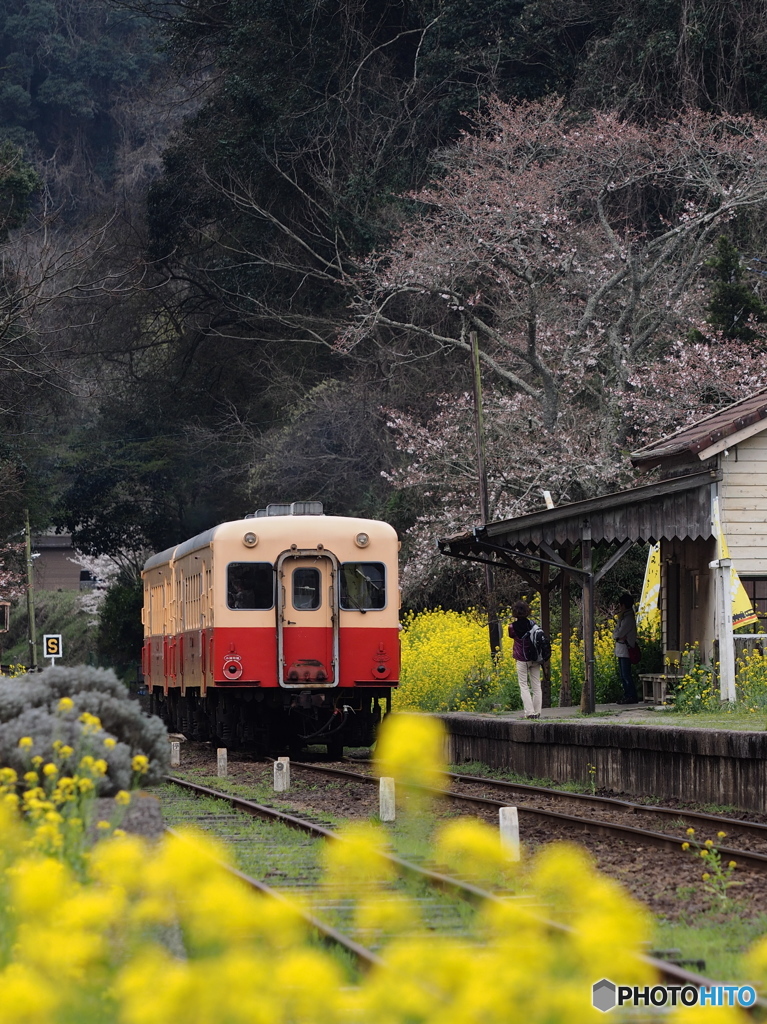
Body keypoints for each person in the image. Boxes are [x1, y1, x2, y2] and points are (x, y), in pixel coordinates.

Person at [509, 599, 542, 719]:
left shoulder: (512, 627)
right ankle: (537, 712)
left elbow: (512, 636)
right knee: (536, 685)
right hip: (535, 658)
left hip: (521, 659)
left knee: (524, 685)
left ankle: (529, 712)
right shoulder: (533, 624)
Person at [613, 592, 639, 704]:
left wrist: (618, 636)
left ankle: (631, 696)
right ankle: (627, 695)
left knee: (626, 675)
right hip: (621, 650)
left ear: (623, 605)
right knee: (623, 675)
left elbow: (618, 634)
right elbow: (616, 634)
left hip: (626, 651)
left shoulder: (628, 619)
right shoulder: (624, 617)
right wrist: (618, 636)